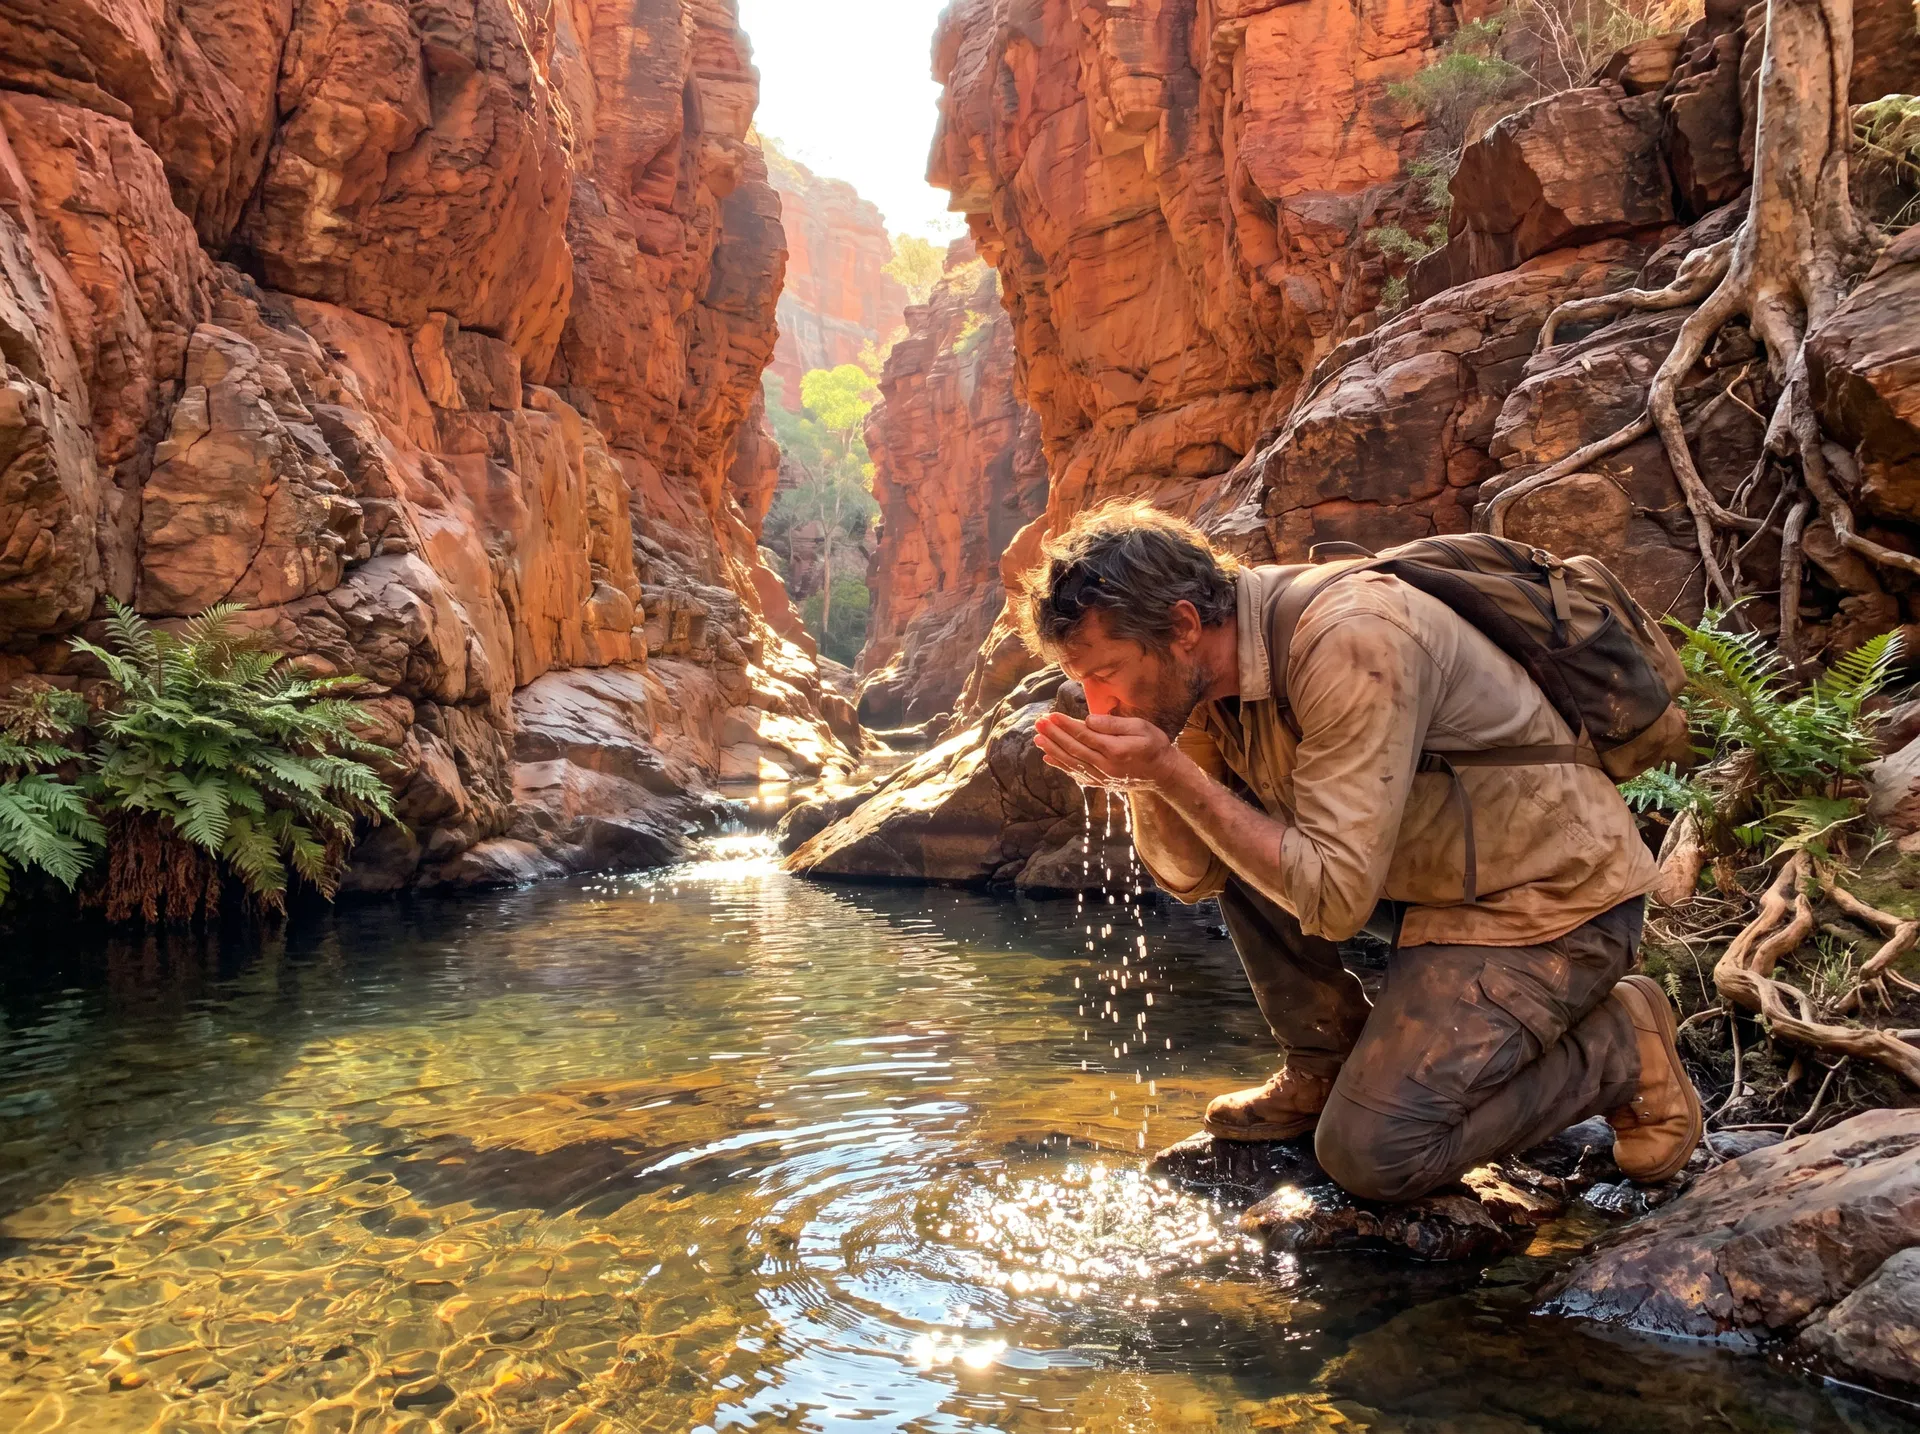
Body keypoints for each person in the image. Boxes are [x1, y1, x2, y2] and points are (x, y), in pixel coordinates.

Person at [1024, 502, 1702, 1202]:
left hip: (1548, 904)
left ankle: (1620, 1048)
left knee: (1372, 1157)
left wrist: (1172, 775)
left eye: (1106, 672)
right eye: (1084, 682)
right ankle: (1323, 1063)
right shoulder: (1200, 677)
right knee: (1226, 821)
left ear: (1184, 627)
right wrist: (1149, 776)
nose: (1096, 701)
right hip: (1426, 888)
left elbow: (1335, 902)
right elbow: (1195, 876)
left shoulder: (1351, 637)